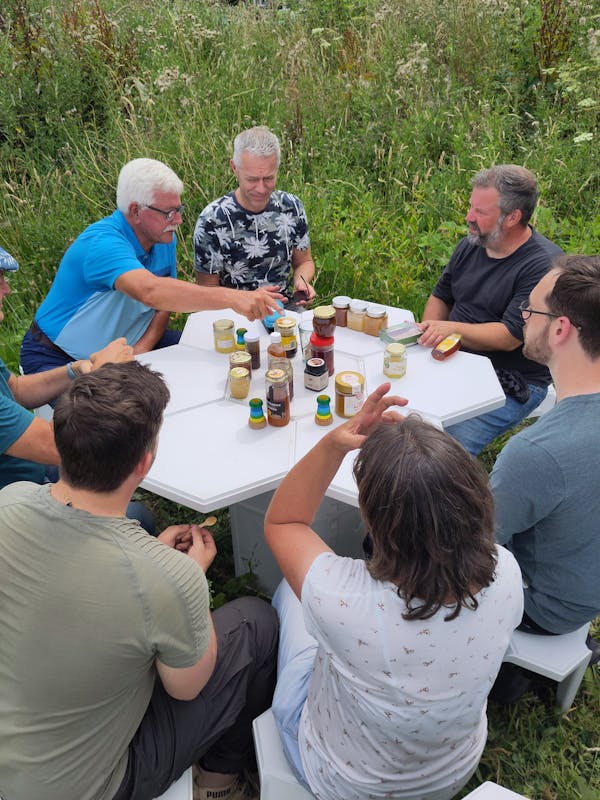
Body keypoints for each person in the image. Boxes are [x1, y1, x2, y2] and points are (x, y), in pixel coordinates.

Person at [0, 361, 278, 800]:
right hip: (91, 786)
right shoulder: (169, 578)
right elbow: (186, 687)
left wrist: (158, 569)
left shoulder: (10, 502)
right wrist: (185, 577)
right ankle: (219, 782)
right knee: (256, 622)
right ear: (145, 463)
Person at [264, 384, 523, 800]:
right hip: (450, 772)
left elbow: (283, 522)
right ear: (475, 498)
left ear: (375, 521)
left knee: (290, 592)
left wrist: (333, 445)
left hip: (344, 782)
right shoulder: (506, 569)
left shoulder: (342, 600)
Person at [20, 158, 283, 375]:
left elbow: (164, 304)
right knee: (110, 420)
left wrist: (141, 351)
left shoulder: (162, 236)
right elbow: (151, 291)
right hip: (58, 357)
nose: (178, 220)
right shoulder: (102, 244)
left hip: (127, 348)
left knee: (220, 362)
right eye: (169, 212)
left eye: (179, 209)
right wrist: (234, 298)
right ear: (135, 211)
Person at [490, 255, 600, 690]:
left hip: (543, 608)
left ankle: (504, 678)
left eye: (530, 309)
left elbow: (474, 545)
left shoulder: (537, 453)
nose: (522, 317)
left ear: (560, 329)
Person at [418, 165, 563, 455]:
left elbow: (510, 336)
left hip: (510, 378)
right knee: (395, 411)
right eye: (471, 206)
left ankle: (450, 481)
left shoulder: (542, 266)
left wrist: (449, 329)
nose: (468, 217)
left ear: (513, 217)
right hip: (453, 355)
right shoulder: (471, 244)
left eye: (480, 211)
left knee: (444, 451)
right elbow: (440, 297)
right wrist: (429, 338)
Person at [0, 247, 132, 488]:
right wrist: (105, 376)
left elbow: (15, 390)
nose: (6, 289)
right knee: (130, 504)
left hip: (32, 470)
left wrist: (75, 370)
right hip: (16, 495)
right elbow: (65, 448)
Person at [193, 126, 316, 306]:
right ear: (234, 168)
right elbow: (206, 292)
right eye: (252, 179)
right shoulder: (212, 220)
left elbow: (304, 261)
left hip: (283, 309)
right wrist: (247, 299)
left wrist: (301, 282)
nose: (261, 188)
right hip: (232, 313)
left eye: (268, 178)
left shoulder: (291, 207)